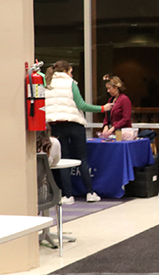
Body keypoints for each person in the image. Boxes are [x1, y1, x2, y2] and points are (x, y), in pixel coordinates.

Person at [44, 61, 112, 204]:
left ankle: (68, 195)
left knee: (63, 160)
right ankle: (90, 193)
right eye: (71, 71)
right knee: (82, 159)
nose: (71, 75)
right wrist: (102, 108)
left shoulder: (47, 82)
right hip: (75, 125)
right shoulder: (71, 83)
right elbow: (81, 105)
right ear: (66, 71)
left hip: (56, 126)